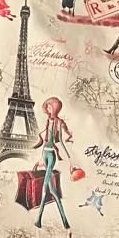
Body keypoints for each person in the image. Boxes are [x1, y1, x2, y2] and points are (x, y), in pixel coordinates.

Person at [33, 97, 73, 230]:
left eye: (51, 107)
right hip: (45, 154)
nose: (48, 109)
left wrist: (70, 158)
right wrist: (40, 158)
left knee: (44, 189)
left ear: (55, 108)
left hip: (51, 155)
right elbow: (45, 141)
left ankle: (38, 220)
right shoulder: (48, 121)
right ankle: (65, 222)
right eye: (47, 107)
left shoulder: (58, 122)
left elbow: (60, 141)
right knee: (53, 192)